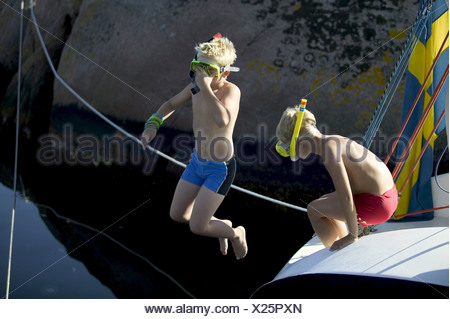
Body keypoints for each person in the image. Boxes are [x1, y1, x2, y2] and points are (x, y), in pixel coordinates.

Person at [141, 35, 247, 260]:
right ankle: (221, 225)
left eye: (207, 70)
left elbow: (223, 120)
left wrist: (206, 89)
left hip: (220, 169)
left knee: (197, 227)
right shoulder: (195, 88)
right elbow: (169, 104)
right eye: (197, 66)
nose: (201, 75)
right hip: (197, 162)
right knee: (178, 214)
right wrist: (153, 125)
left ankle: (236, 233)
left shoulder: (230, 91)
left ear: (224, 73)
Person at [275, 106, 398, 251]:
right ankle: (343, 242)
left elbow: (346, 196)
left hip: (378, 206)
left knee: (314, 210)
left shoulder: (329, 153)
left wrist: (353, 235)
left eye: (289, 148)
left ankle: (334, 251)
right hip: (389, 195)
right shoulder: (333, 140)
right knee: (322, 203)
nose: (291, 153)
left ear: (300, 142)